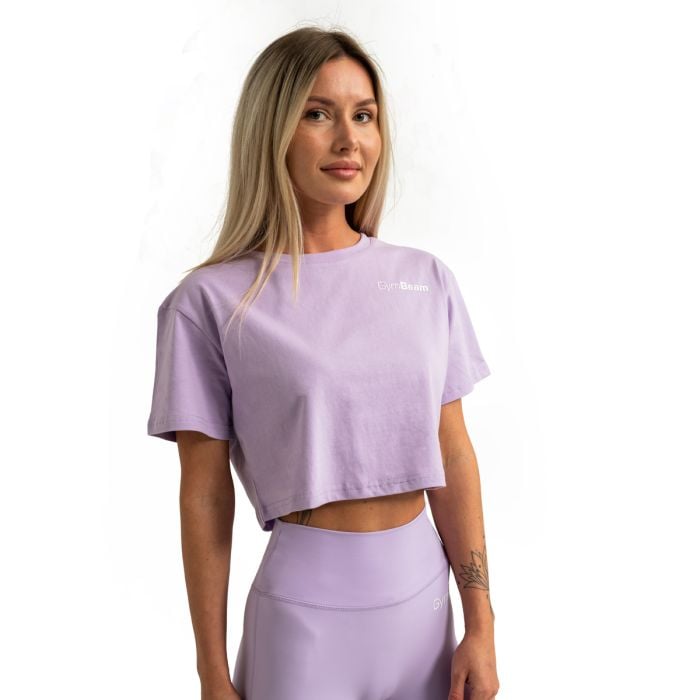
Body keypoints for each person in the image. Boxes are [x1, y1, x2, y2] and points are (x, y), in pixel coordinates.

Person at [146, 25, 499, 700]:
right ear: (272, 129)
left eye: (363, 115)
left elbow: (453, 453)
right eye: (318, 114)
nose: (348, 140)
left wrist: (480, 622)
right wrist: (211, 672)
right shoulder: (211, 302)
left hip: (424, 608)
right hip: (304, 615)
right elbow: (205, 494)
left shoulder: (426, 280)